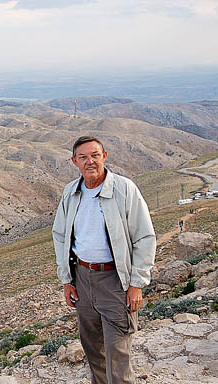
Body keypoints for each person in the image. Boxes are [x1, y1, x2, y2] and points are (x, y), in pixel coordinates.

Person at [52, 136, 156, 384]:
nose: (90, 161)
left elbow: (144, 237)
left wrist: (136, 284)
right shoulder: (71, 192)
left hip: (115, 282)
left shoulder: (124, 189)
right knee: (92, 349)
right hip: (83, 279)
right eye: (84, 157)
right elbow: (60, 235)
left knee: (117, 354)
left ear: (104, 156)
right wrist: (67, 280)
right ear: (74, 161)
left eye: (95, 155)